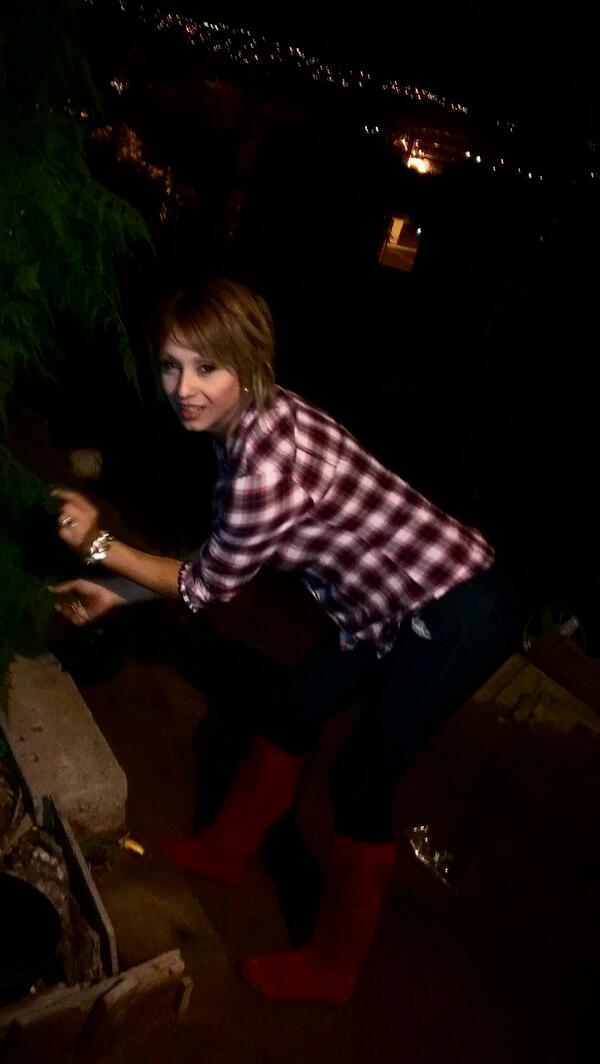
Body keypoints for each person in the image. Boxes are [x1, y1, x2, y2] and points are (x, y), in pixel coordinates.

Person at [51, 278, 517, 1005]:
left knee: (362, 776)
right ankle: (225, 851)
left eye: (206, 367)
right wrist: (118, 591)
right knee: (295, 705)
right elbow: (224, 563)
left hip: (453, 610)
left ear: (248, 364)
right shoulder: (252, 421)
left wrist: (100, 547)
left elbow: (204, 590)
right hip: (382, 608)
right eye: (171, 365)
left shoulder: (263, 465)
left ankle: (333, 968)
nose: (183, 389)